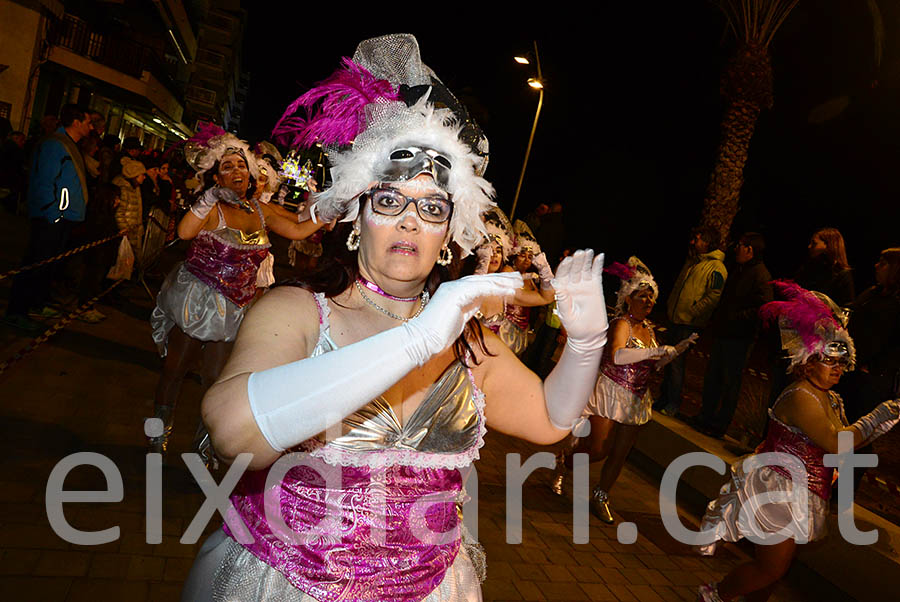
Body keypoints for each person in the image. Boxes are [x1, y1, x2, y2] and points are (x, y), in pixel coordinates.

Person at [180, 34, 609, 601]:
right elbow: (234, 435)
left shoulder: (467, 341)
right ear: (358, 212)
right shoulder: (299, 311)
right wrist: (416, 340)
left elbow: (552, 421)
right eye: (389, 200)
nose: (410, 220)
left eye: (432, 208)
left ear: (450, 234)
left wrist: (584, 345)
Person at [696, 281, 900, 602]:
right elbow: (836, 442)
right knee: (772, 568)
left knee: (777, 568)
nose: (839, 368)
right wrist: (875, 418)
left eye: (841, 361)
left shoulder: (830, 398)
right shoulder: (802, 396)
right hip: (779, 491)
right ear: (807, 362)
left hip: (804, 491)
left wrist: (884, 420)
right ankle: (714, 596)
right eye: (830, 360)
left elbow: (845, 444)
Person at [146, 128, 329, 454]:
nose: (236, 172)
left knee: (216, 381)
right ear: (215, 175)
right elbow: (186, 232)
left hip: (235, 308)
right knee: (174, 370)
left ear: (251, 171)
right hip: (197, 302)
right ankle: (156, 434)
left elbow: (299, 226)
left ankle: (203, 449)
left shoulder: (260, 210)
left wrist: (331, 207)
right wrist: (207, 200)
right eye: (227, 166)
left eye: (241, 165)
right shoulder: (212, 207)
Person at [549, 257, 696, 522]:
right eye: (642, 297)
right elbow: (617, 356)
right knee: (599, 449)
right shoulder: (621, 324)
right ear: (629, 299)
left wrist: (673, 353)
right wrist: (656, 350)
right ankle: (565, 462)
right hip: (611, 391)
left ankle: (602, 495)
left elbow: (654, 364)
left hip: (637, 397)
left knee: (620, 453)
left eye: (651, 298)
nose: (648, 302)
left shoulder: (649, 330)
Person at [4, 104, 93, 332]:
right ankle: (17, 311)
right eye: (88, 122)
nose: (91, 127)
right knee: (36, 263)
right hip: (51, 218)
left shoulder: (68, 144)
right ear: (76, 122)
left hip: (61, 217)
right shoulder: (55, 145)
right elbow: (45, 182)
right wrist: (53, 214)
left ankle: (36, 302)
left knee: (48, 265)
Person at [694, 232, 773, 439]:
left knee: (730, 382)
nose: (736, 248)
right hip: (724, 332)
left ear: (750, 249)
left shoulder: (760, 275)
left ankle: (720, 425)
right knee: (714, 377)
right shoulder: (739, 269)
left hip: (739, 337)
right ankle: (705, 417)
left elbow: (763, 307)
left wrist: (736, 317)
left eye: (740, 245)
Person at [655, 225, 727, 416]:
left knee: (677, 363)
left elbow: (713, 296)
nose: (693, 242)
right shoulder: (694, 262)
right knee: (668, 361)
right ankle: (663, 398)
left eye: (698, 239)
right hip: (677, 318)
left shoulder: (716, 267)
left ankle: (673, 403)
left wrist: (694, 311)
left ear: (708, 241)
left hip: (689, 323)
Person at [473, 208, 555, 355]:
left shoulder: (502, 288)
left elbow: (546, 297)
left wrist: (543, 266)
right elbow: (472, 293)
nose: (494, 255)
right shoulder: (462, 283)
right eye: (489, 249)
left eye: (498, 250)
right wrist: (483, 265)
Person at [795, 227, 854, 308]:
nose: (809, 246)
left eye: (814, 243)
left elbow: (846, 307)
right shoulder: (807, 268)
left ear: (829, 245)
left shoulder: (842, 274)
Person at [113, 157, 146, 259]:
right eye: (142, 175)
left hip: (133, 231)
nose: (144, 177)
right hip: (127, 233)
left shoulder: (135, 188)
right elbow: (119, 212)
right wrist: (124, 229)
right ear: (134, 175)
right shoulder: (124, 189)